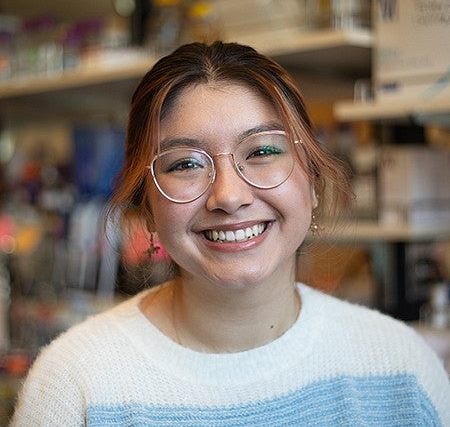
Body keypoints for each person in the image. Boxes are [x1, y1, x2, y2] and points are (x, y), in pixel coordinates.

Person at [12, 41, 450, 426]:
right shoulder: (75, 384)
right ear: (146, 205)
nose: (229, 195)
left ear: (313, 183)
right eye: (185, 163)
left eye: (261, 151)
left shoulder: (399, 366)